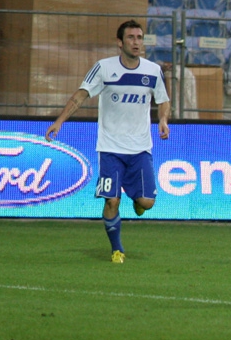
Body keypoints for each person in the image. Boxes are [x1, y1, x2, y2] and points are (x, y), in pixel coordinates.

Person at [46, 20, 170, 263]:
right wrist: (59, 121)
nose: (137, 42)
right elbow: (81, 95)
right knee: (112, 200)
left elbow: (163, 99)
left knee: (148, 202)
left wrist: (163, 119)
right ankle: (117, 249)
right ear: (120, 42)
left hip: (140, 148)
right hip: (110, 149)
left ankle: (138, 201)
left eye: (139, 37)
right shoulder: (103, 68)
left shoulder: (153, 70)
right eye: (131, 37)